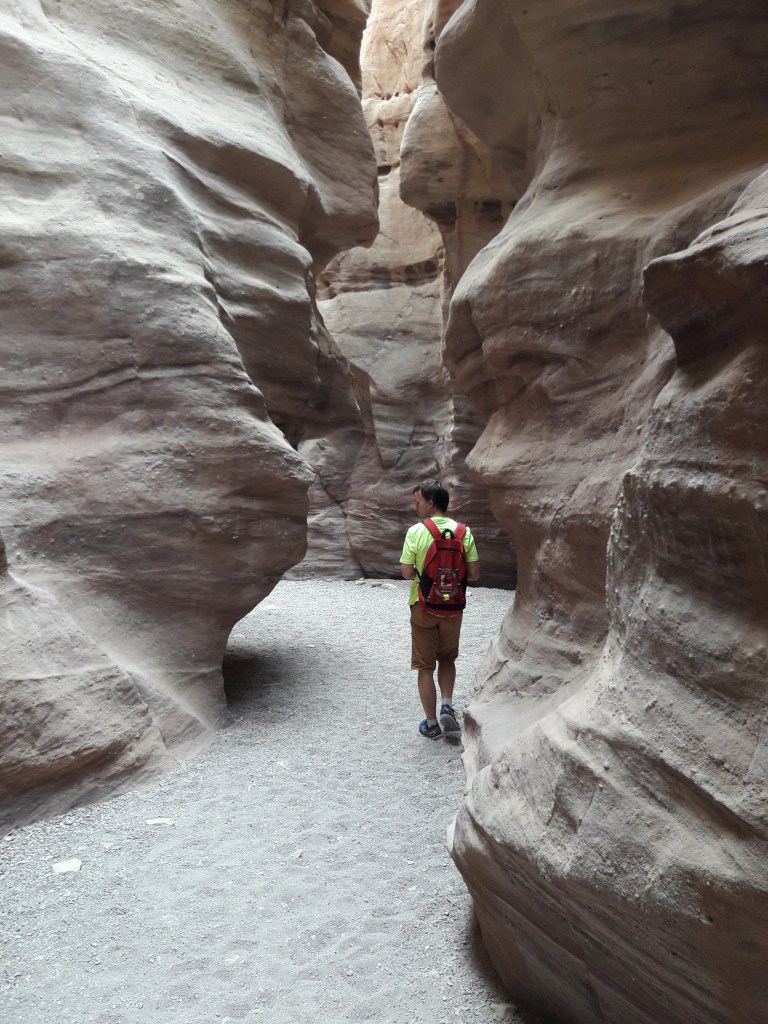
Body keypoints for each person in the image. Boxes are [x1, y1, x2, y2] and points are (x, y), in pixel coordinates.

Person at [400, 479, 481, 739]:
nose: (415, 507)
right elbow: (475, 574)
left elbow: (406, 573)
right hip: (453, 607)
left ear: (431, 503)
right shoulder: (464, 532)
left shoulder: (416, 532)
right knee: (447, 658)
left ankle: (432, 724)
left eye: (418, 502)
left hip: (423, 605)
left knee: (425, 667)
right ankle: (447, 704)